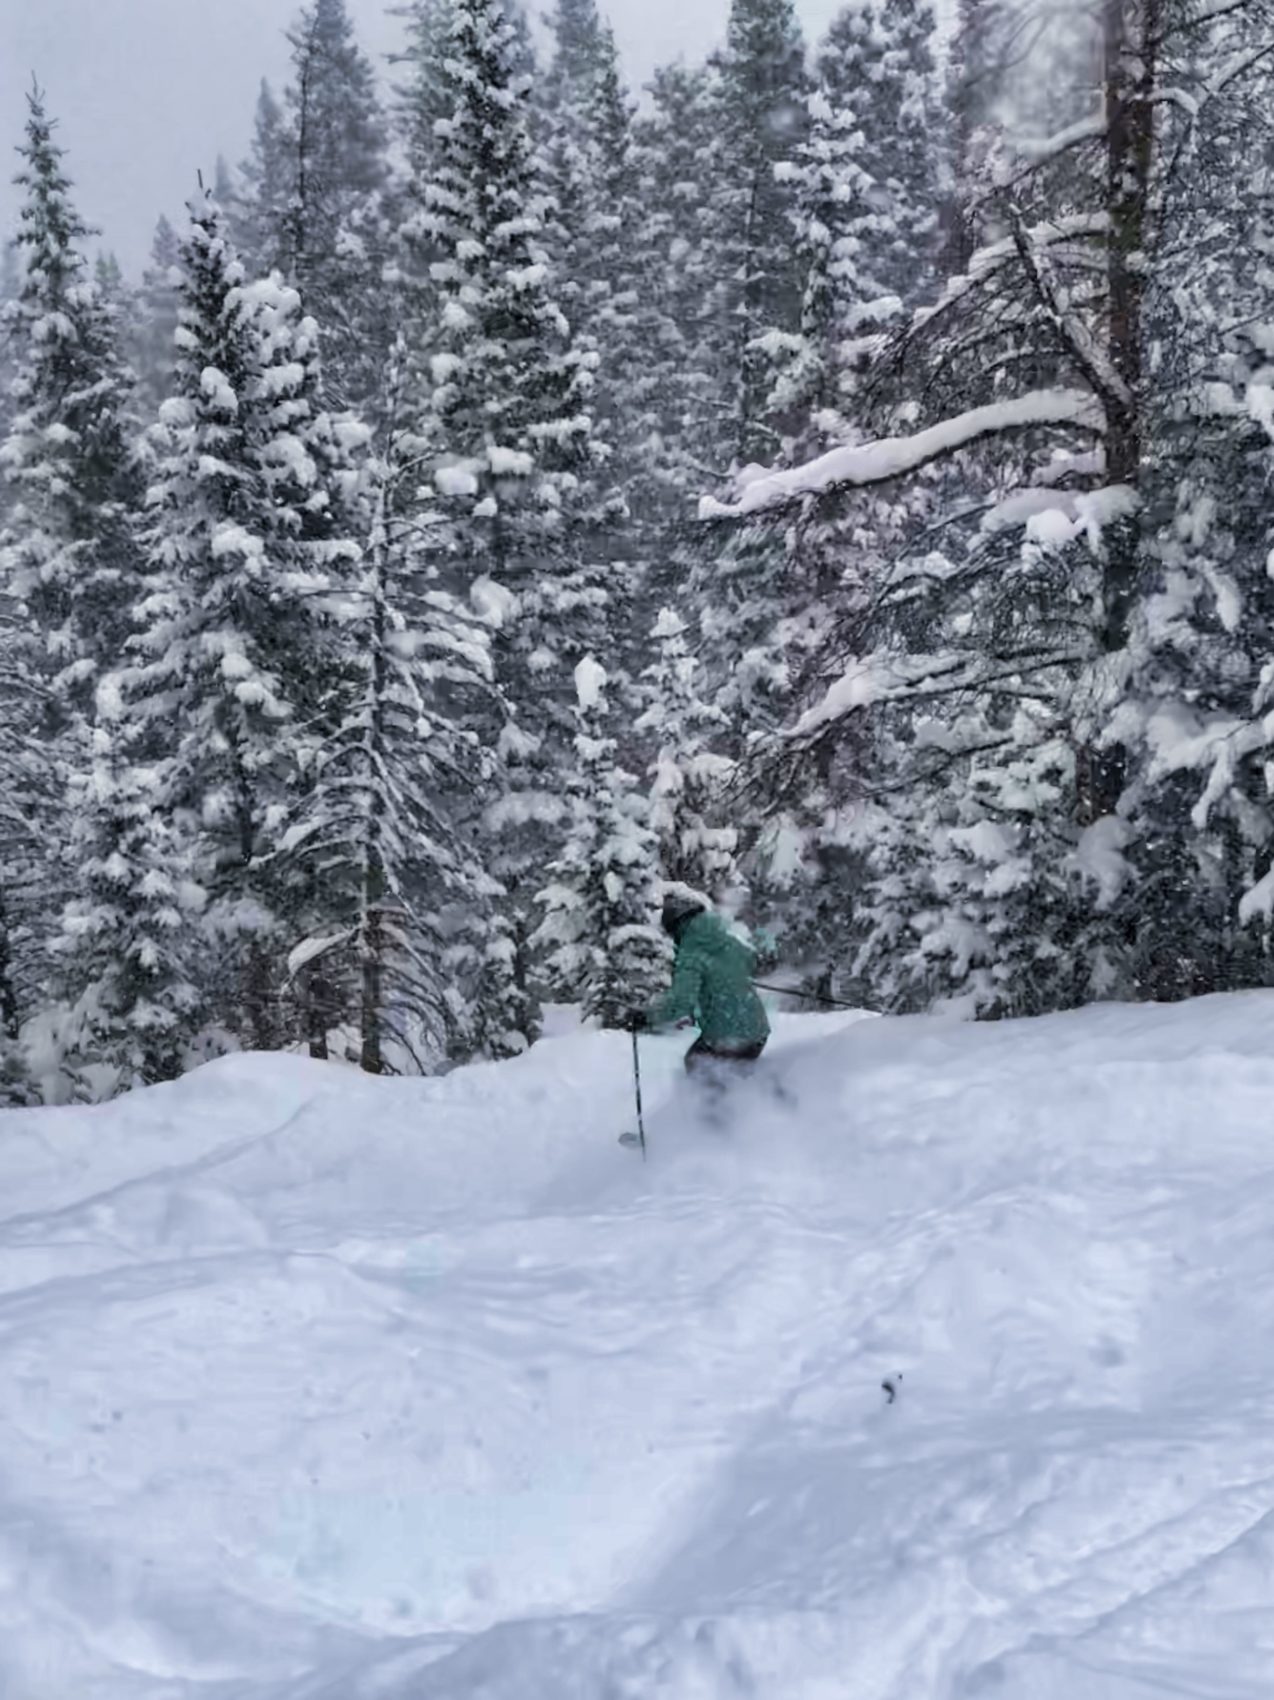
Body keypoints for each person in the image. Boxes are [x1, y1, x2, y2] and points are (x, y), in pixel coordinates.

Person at [632, 892, 770, 1081]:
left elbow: (681, 1002)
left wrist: (647, 1017)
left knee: (696, 1064)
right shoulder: (728, 941)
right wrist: (732, 977)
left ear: (677, 927)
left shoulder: (690, 955)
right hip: (757, 1031)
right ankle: (761, 1096)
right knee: (733, 1072)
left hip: (728, 1035)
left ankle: (713, 1109)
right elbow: (754, 964)